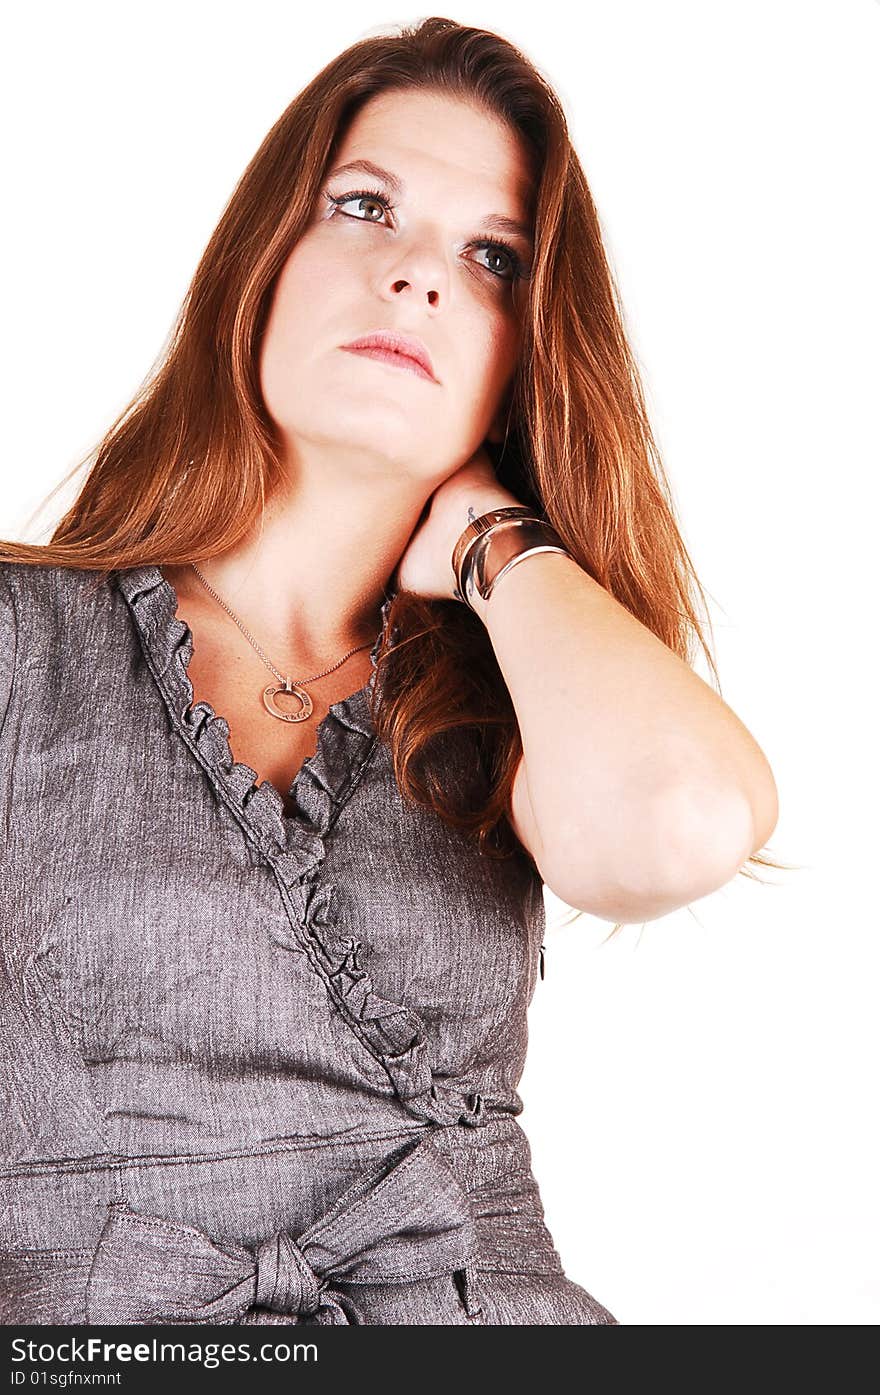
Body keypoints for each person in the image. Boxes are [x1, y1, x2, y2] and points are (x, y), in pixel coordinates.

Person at [0, 17, 780, 1325]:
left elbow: (681, 821)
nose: (419, 275)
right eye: (366, 207)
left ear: (522, 352)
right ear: (266, 259)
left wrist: (494, 537)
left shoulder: (516, 689)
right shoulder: (27, 637)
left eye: (492, 256)